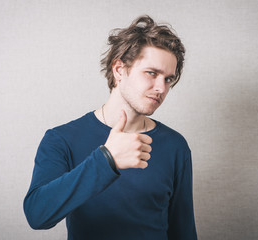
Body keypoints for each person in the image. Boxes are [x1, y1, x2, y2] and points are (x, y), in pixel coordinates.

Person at [23, 15, 197, 240]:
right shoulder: (62, 139)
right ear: (119, 70)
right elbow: (37, 215)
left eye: (168, 79)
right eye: (152, 73)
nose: (161, 88)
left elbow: (183, 231)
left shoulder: (175, 145)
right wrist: (106, 159)